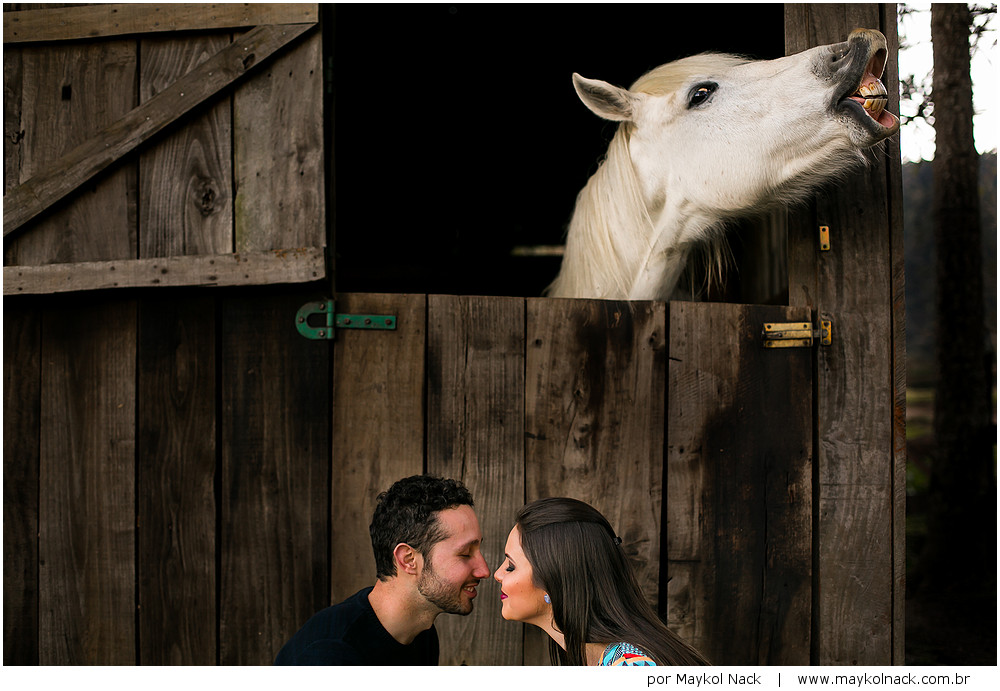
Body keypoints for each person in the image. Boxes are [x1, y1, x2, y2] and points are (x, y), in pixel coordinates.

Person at [275, 475, 490, 665]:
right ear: (408, 560)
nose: (485, 571)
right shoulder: (330, 656)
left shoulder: (421, 634)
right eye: (465, 554)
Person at [494, 496, 710, 666]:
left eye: (511, 566)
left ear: (554, 580)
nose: (498, 574)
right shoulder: (604, 660)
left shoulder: (629, 666)